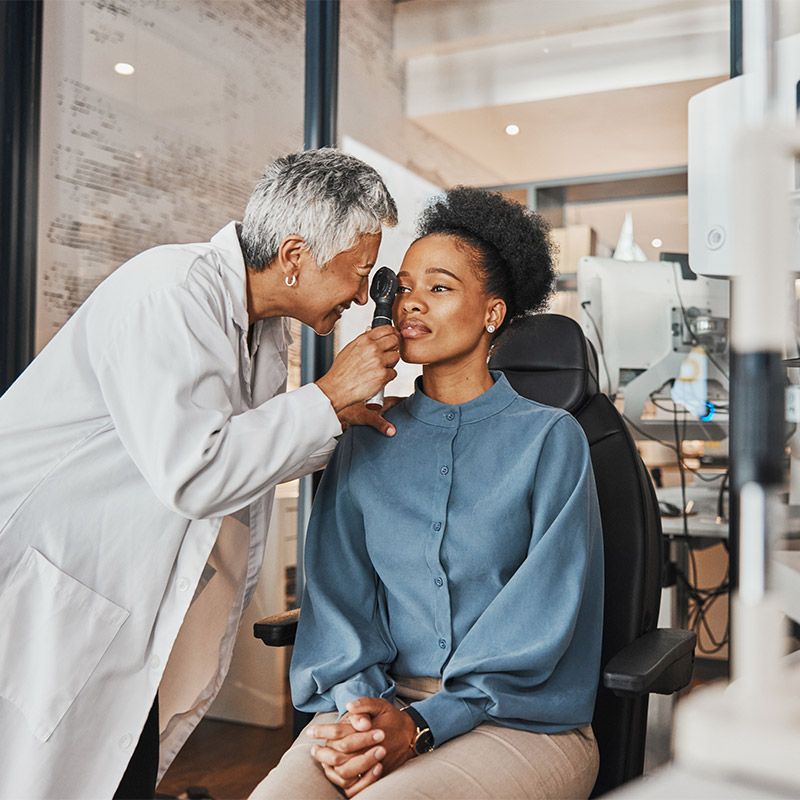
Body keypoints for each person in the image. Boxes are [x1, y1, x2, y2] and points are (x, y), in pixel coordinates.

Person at [0, 148, 401, 800]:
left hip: (114, 601)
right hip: (46, 582)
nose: (362, 295)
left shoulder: (262, 332)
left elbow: (248, 454)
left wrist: (336, 421)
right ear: (296, 256)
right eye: (356, 273)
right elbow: (194, 473)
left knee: (110, 770)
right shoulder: (170, 293)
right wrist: (326, 397)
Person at [253, 188, 604, 800]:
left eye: (439, 288)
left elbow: (541, 621)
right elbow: (339, 600)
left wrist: (418, 725)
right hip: (372, 703)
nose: (411, 303)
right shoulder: (363, 436)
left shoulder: (551, 440)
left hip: (517, 719)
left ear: (493, 314)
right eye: (405, 286)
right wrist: (363, 713)